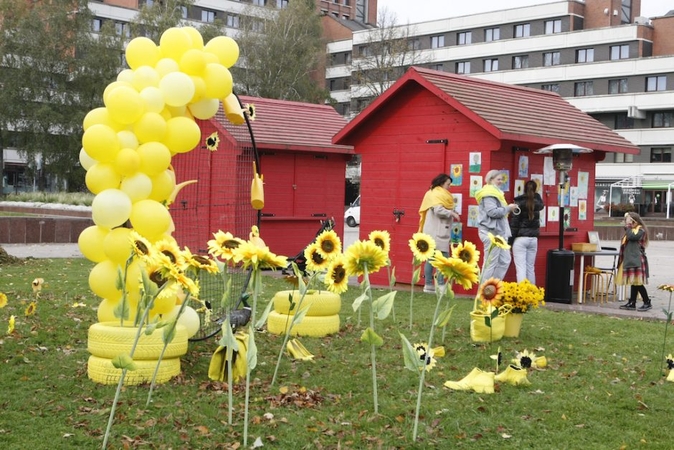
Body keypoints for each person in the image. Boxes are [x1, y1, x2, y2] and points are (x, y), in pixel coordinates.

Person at [418, 173, 460, 293]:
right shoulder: (437, 194)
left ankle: (429, 285)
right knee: (443, 259)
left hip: (434, 230)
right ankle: (440, 285)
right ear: (441, 183)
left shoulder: (431, 193)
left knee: (431, 259)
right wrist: (451, 213)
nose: (449, 187)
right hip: (437, 231)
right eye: (448, 184)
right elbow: (438, 210)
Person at [475, 170, 518, 280]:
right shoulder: (489, 193)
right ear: (490, 180)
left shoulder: (496, 193)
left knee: (505, 260)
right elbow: (492, 212)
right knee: (490, 262)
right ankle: (483, 291)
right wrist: (508, 208)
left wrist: (507, 208)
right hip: (490, 232)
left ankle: (493, 287)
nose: (501, 182)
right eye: (498, 179)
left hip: (499, 232)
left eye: (501, 179)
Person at [509, 180, 544, 284]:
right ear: (535, 189)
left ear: (524, 189)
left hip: (520, 239)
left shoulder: (519, 203)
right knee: (530, 268)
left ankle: (522, 294)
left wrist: (509, 242)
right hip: (533, 239)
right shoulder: (537, 203)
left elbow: (514, 225)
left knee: (521, 268)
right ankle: (532, 293)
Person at [618, 212, 651, 311]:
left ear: (634, 220)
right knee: (634, 282)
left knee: (638, 283)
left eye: (628, 219)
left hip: (637, 260)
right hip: (631, 259)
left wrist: (628, 227)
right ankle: (632, 302)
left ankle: (647, 301)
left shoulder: (640, 230)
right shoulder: (632, 230)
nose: (627, 221)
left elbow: (633, 237)